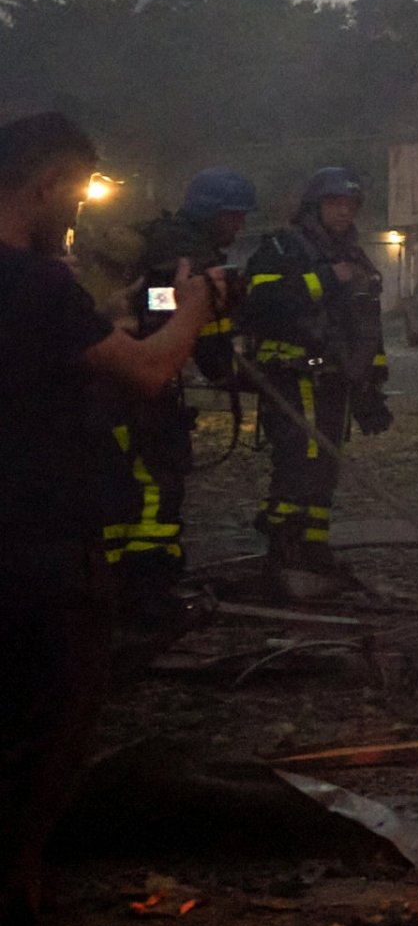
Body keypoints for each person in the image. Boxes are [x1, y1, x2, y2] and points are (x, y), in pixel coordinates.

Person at [0, 112, 219, 926]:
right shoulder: (31, 282)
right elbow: (151, 375)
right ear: (47, 182)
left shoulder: (40, 297)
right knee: (37, 751)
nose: (79, 218)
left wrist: (118, 325)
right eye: (77, 195)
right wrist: (195, 308)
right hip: (43, 554)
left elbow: (65, 360)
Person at [98, 168, 254, 638]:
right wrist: (222, 355)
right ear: (210, 212)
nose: (239, 227)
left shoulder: (163, 240)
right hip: (137, 385)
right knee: (154, 486)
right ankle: (144, 596)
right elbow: (169, 308)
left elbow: (157, 302)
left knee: (126, 486)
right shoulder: (188, 254)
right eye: (232, 216)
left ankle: (114, 594)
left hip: (117, 380)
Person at [241, 168, 391, 578]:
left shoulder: (355, 256)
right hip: (292, 373)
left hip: (336, 379)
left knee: (326, 463)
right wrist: (325, 279)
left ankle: (312, 546)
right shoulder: (282, 247)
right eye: (335, 204)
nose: (344, 212)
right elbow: (261, 303)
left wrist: (372, 386)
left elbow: (365, 324)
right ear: (314, 206)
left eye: (350, 205)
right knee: (300, 460)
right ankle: (281, 544)